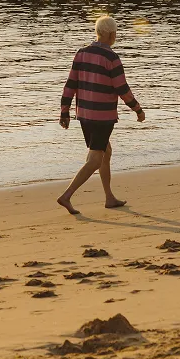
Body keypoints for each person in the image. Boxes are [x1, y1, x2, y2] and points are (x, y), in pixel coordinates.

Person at [57, 15, 145, 215]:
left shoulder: (81, 54)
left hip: (85, 115)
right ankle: (66, 196)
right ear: (111, 34)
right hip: (102, 117)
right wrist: (137, 109)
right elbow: (122, 88)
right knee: (96, 159)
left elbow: (70, 84)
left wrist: (65, 111)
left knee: (106, 152)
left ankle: (109, 198)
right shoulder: (111, 58)